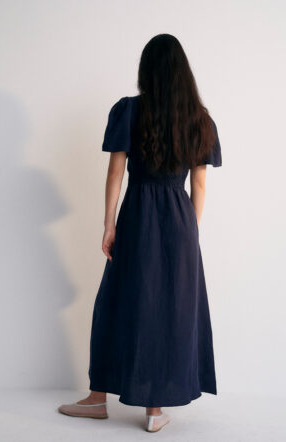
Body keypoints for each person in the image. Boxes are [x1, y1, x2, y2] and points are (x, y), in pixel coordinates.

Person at [58, 33, 222, 433]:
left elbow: (116, 172)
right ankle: (154, 410)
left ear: (146, 70)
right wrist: (190, 231)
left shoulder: (129, 111)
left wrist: (109, 223)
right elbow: (199, 184)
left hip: (138, 215)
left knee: (116, 302)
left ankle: (98, 398)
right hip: (180, 219)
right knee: (168, 310)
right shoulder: (200, 119)